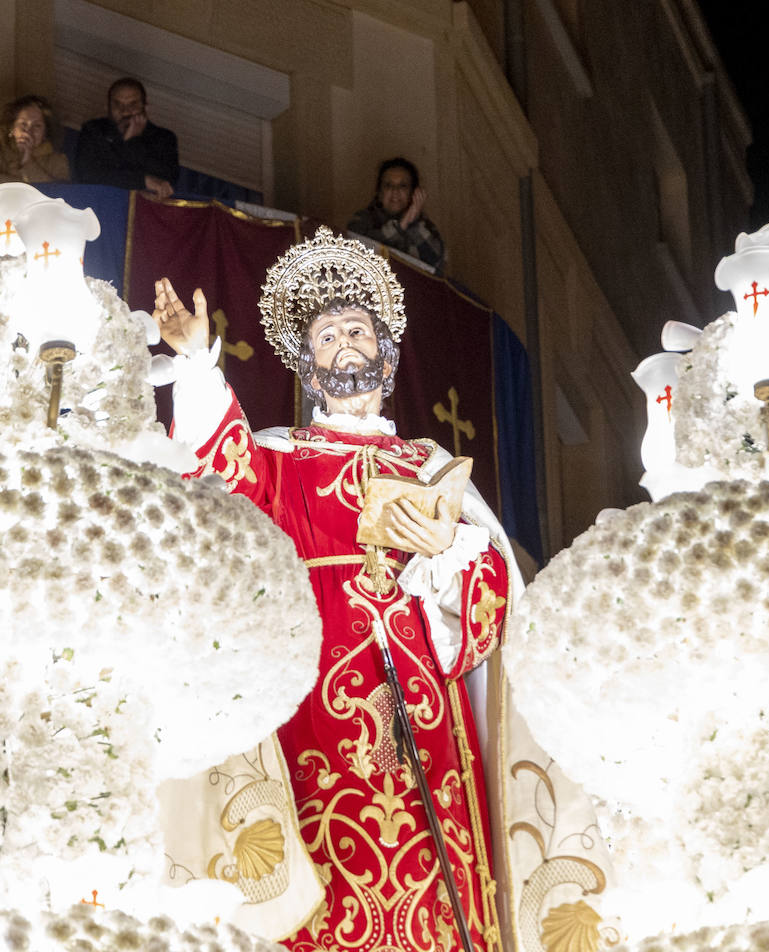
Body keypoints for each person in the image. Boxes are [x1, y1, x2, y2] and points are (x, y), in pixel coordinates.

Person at [155, 228, 512, 952]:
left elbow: (489, 614)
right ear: (308, 366)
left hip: (426, 722)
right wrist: (195, 362)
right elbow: (218, 481)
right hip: (316, 711)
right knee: (322, 885)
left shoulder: (429, 463)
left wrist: (449, 552)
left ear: (386, 352)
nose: (345, 343)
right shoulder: (285, 459)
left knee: (436, 887)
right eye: (326, 335)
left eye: (357, 329)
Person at [74, 77, 179, 199]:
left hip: (145, 211)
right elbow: (87, 175)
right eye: (117, 105)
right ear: (107, 107)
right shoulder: (94, 130)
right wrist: (142, 181)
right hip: (100, 205)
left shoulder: (164, 138)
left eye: (132, 105)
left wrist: (132, 143)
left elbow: (167, 178)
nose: (125, 112)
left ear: (145, 106)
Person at [347, 157, 446, 272]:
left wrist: (412, 223)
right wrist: (401, 225)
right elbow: (362, 252)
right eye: (388, 185)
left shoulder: (424, 225)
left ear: (413, 193)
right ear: (379, 192)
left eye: (402, 186)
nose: (395, 191)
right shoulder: (361, 220)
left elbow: (436, 263)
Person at [0, 95, 70, 199]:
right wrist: (27, 187)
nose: (28, 131)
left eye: (37, 125)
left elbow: (60, 195)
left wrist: (28, 163)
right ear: (12, 128)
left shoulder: (57, 160)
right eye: (23, 124)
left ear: (45, 133)